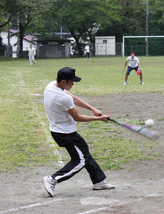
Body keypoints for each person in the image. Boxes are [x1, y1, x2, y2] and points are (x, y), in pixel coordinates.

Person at [42, 67, 115, 197]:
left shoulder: (51, 86)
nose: (73, 84)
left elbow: (73, 98)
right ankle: (52, 179)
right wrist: (98, 119)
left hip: (59, 130)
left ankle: (99, 181)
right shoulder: (62, 98)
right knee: (79, 160)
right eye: (71, 81)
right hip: (65, 133)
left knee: (84, 152)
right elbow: (77, 117)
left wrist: (92, 109)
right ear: (63, 82)